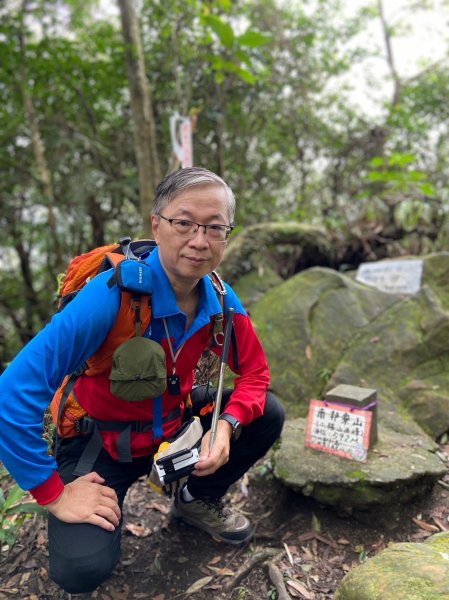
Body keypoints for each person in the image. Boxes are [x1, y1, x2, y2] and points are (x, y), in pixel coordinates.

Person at [0, 167, 284, 594]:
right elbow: (11, 394)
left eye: (214, 228)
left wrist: (225, 428)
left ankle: (195, 499)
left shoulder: (221, 299)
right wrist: (54, 493)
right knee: (80, 570)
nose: (199, 240)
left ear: (227, 234)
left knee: (267, 414)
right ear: (156, 224)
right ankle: (94, 498)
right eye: (183, 222)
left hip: (172, 431)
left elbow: (256, 375)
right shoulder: (111, 296)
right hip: (102, 441)